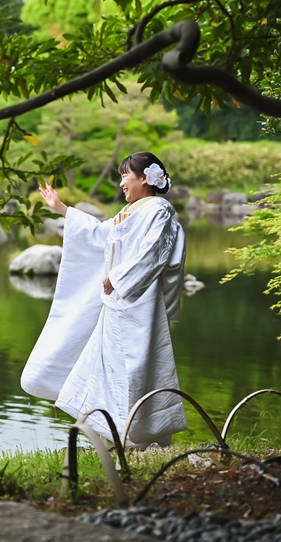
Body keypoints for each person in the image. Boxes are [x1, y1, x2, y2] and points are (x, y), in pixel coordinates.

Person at [21, 152, 188, 448]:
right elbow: (99, 234)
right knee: (108, 367)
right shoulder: (132, 211)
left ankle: (139, 436)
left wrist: (118, 277)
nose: (122, 182)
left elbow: (153, 254)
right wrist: (61, 209)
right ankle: (113, 436)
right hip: (117, 304)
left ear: (145, 178)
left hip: (139, 303)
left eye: (126, 175)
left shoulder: (158, 210)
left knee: (135, 367)